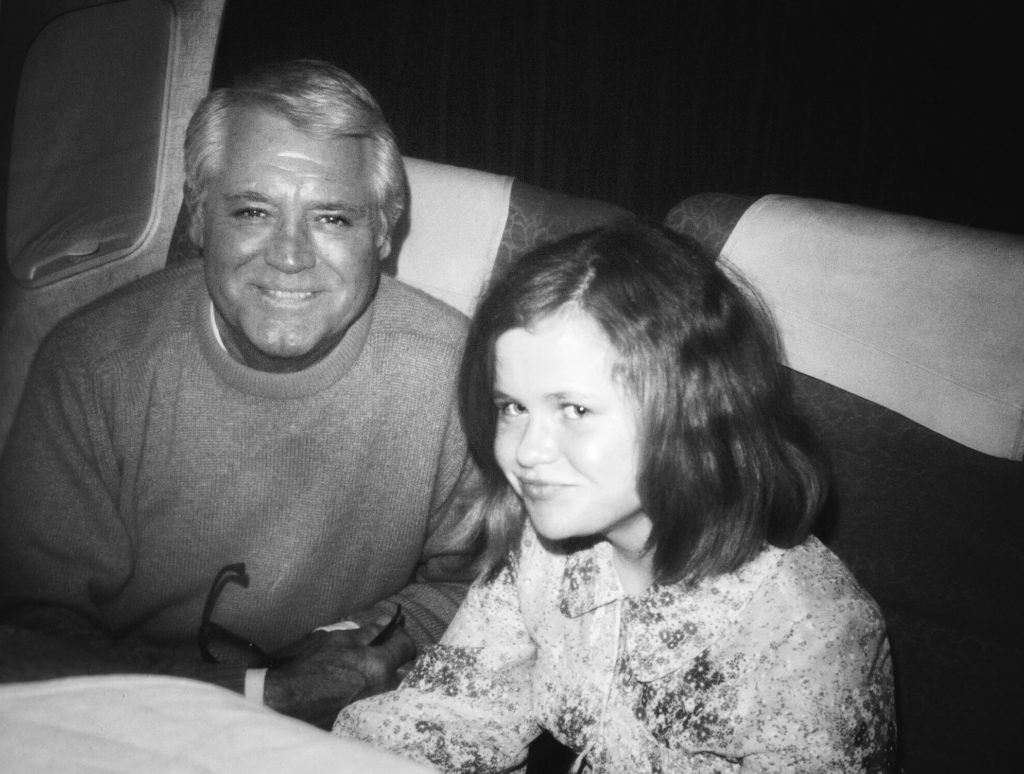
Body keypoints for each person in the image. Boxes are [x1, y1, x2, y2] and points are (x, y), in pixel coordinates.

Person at [0, 60, 478, 729]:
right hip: (126, 719)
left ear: (384, 231)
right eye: (253, 210)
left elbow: (478, 587)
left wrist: (383, 646)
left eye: (332, 218)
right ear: (199, 218)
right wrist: (257, 693)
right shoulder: (92, 365)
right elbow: (25, 635)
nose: (288, 255)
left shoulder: (457, 373)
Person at [333, 223, 897, 771]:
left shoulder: (810, 634)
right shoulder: (545, 548)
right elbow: (450, 713)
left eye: (574, 410)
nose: (527, 452)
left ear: (689, 412)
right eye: (513, 407)